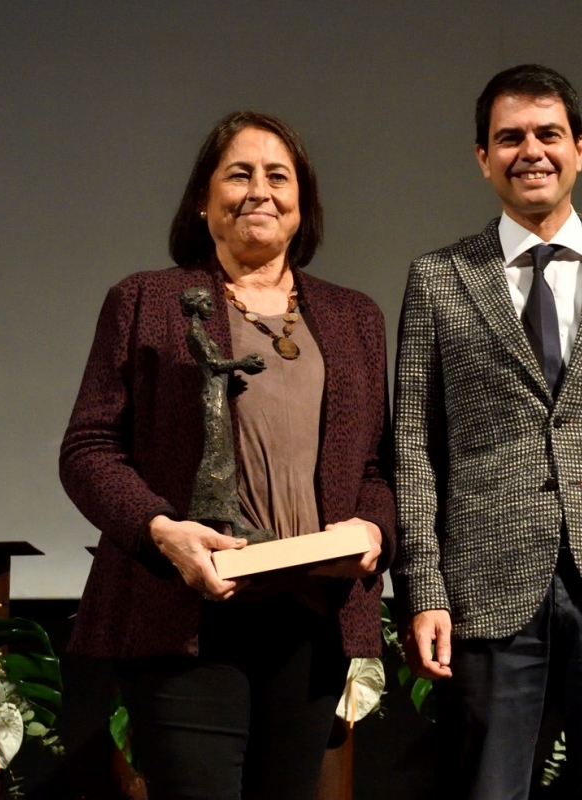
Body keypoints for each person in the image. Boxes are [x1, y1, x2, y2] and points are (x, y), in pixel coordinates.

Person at [392, 64, 582, 799]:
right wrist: (424, 588)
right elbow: (412, 447)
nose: (530, 150)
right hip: (485, 585)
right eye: (509, 138)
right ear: (483, 157)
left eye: (548, 134)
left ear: (581, 147)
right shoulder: (440, 277)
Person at [60, 110, 394, 800]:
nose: (259, 191)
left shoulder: (354, 317)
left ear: (303, 205)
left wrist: (373, 529)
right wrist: (162, 532)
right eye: (238, 174)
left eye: (279, 176)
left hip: (309, 616)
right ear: (203, 200)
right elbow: (89, 449)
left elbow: (374, 471)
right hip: (185, 613)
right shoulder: (146, 301)